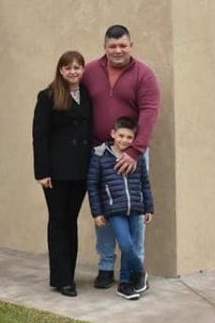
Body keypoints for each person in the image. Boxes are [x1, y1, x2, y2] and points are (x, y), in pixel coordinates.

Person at [82, 24, 160, 290]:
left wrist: (135, 151)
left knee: (134, 216)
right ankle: (106, 267)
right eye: (112, 46)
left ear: (131, 45)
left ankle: (135, 270)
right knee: (103, 213)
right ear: (104, 46)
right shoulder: (90, 71)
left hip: (132, 155)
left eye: (122, 45)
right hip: (100, 154)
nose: (117, 51)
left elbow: (149, 112)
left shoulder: (144, 74)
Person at [32, 50, 93, 297]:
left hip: (80, 170)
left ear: (83, 70)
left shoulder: (87, 94)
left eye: (77, 67)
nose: (73, 71)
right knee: (58, 221)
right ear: (60, 70)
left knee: (71, 220)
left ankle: (69, 272)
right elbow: (40, 136)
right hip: (56, 172)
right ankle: (61, 279)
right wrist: (42, 171)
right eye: (68, 67)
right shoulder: (47, 96)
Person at [87, 117, 154, 300]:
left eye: (129, 137)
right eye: (121, 136)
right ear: (113, 134)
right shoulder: (100, 155)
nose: (124, 140)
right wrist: (97, 212)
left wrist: (149, 207)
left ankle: (124, 285)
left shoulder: (137, 157)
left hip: (136, 208)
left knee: (129, 246)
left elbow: (145, 183)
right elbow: (93, 185)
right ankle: (140, 272)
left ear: (134, 139)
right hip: (114, 210)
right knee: (125, 243)